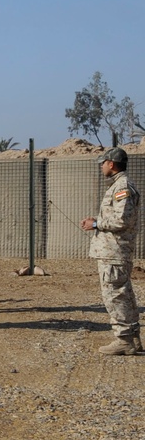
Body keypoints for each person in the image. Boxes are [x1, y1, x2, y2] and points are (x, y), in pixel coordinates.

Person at [80, 147, 142, 355]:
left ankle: (124, 339)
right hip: (114, 251)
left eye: (103, 163)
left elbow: (122, 219)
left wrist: (96, 223)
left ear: (111, 164)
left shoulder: (122, 187)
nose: (101, 166)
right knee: (123, 294)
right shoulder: (119, 186)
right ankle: (132, 337)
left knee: (115, 295)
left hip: (114, 251)